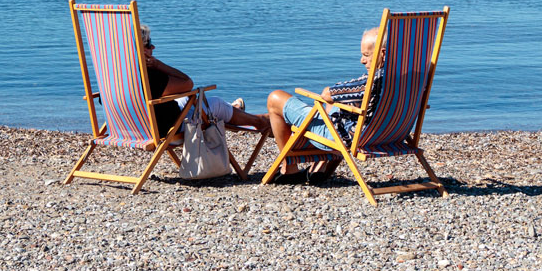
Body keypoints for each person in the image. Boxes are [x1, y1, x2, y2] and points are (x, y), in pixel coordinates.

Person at [265, 27, 383, 183]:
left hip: (349, 138)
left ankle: (290, 168)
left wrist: (331, 93)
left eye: (366, 55)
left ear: (382, 53)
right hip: (386, 136)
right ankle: (320, 165)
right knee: (338, 102)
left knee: (275, 99)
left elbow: (328, 94)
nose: (362, 60)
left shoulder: (372, 82)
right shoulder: (412, 79)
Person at [139, 24, 270, 135]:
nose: (153, 47)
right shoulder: (150, 76)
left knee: (193, 101)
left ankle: (234, 109)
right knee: (217, 104)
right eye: (149, 44)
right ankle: (260, 122)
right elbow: (187, 83)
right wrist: (158, 65)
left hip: (137, 129)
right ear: (141, 49)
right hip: (170, 127)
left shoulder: (123, 78)